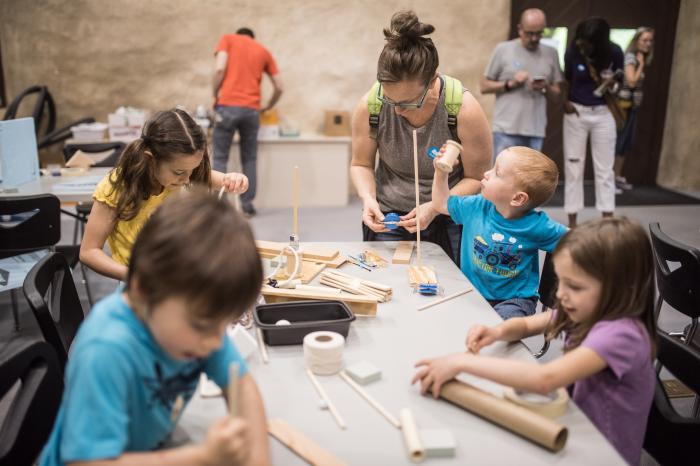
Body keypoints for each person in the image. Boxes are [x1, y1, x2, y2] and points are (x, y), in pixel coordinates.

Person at [41, 189, 270, 465]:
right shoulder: (106, 351)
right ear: (144, 289)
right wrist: (202, 457)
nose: (214, 342)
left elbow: (242, 386)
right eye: (205, 326)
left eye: (222, 326)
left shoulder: (197, 322)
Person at [412, 217, 656, 466]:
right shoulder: (590, 310)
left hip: (604, 453)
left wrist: (461, 363)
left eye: (575, 286)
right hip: (576, 427)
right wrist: (497, 332)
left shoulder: (621, 335)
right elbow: (529, 324)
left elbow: (544, 380)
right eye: (561, 282)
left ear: (621, 288)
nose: (560, 294)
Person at [350, 10, 491, 265]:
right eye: (389, 99)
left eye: (408, 102)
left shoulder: (463, 110)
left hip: (450, 213)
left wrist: (436, 206)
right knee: (390, 284)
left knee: (449, 285)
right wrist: (368, 199)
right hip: (390, 214)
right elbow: (361, 164)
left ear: (432, 81)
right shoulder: (370, 106)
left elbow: (476, 177)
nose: (397, 110)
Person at [80, 109, 248, 283]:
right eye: (179, 172)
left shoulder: (180, 174)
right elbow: (89, 252)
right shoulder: (117, 188)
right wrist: (134, 276)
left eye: (193, 170)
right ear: (150, 159)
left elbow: (215, 179)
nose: (187, 179)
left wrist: (233, 179)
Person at [432, 146, 566, 319]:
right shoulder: (477, 206)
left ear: (518, 198)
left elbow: (581, 241)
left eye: (497, 173)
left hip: (514, 301)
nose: (487, 173)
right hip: (470, 293)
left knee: (496, 331)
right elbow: (441, 204)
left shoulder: (538, 225)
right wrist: (441, 173)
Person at [212, 27, 283, 217]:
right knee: (249, 158)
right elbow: (279, 86)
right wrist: (268, 106)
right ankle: (247, 205)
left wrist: (215, 94)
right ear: (252, 37)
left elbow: (219, 69)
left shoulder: (228, 39)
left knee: (219, 157)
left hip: (226, 106)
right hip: (252, 110)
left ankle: (220, 207)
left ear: (238, 34)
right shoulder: (263, 50)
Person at [562, 17, 624, 228]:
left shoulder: (615, 52)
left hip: (603, 113)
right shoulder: (574, 50)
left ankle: (607, 220)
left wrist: (613, 84)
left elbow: (620, 84)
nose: (583, 44)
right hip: (576, 112)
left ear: (599, 42)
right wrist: (565, 101)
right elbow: (567, 79)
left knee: (605, 169)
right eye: (581, 39)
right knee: (573, 166)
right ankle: (572, 221)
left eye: (588, 41)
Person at [481, 8, 563, 159]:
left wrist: (545, 86)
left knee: (532, 181)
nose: (534, 38)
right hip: (506, 129)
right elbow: (484, 86)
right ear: (520, 29)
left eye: (539, 33)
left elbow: (558, 95)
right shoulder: (503, 49)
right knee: (502, 178)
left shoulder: (551, 53)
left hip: (535, 130)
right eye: (529, 33)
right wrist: (509, 84)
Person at [614, 27, 655, 191]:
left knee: (625, 145)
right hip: (623, 107)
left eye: (650, 40)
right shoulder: (631, 57)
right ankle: (610, 181)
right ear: (636, 41)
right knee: (619, 143)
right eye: (644, 40)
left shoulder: (639, 57)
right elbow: (631, 81)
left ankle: (616, 177)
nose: (648, 44)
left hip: (632, 108)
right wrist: (641, 65)